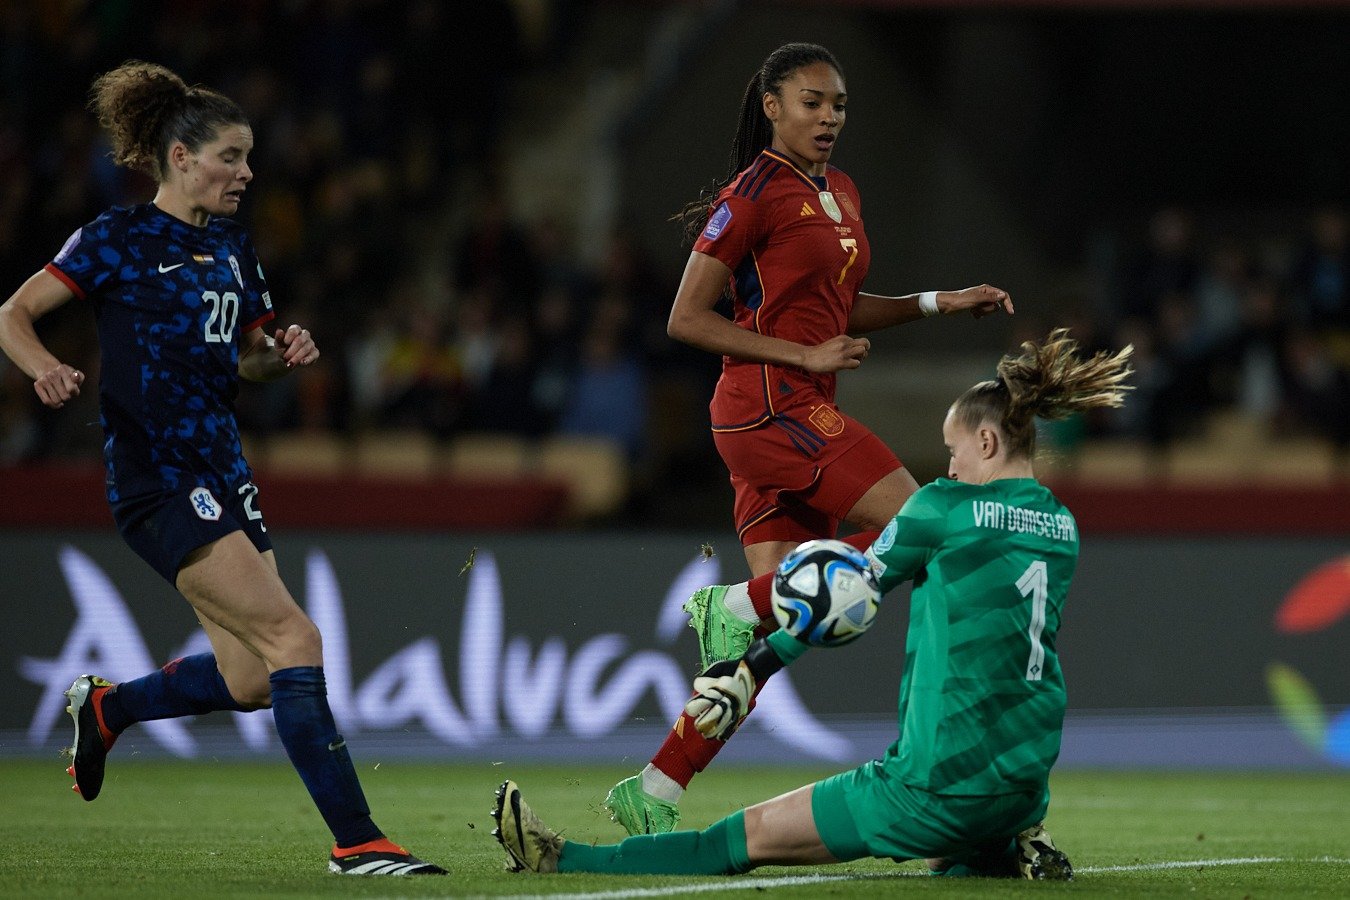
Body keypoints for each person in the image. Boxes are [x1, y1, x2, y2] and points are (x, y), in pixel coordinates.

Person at [0, 61, 444, 876]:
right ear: (180, 158)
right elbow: (14, 313)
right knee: (293, 636)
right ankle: (359, 841)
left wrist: (282, 355)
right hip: (158, 477)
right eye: (232, 157)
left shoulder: (235, 251)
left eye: (247, 158)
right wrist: (41, 368)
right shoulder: (117, 238)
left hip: (224, 471)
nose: (247, 173)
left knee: (247, 678)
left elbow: (248, 364)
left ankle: (110, 707)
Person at [494, 329, 1133, 880]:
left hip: (931, 787)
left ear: (987, 444)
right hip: (1024, 782)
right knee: (950, 858)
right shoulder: (1060, 525)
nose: (949, 462)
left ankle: (564, 859)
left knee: (741, 839)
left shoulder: (942, 507)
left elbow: (841, 592)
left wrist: (751, 669)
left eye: (952, 448)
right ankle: (1010, 844)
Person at [604, 41, 1014, 835]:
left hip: (792, 410)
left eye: (839, 106)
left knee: (790, 624)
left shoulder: (842, 191)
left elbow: (839, 307)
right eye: (812, 102)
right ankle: (731, 601)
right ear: (771, 106)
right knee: (924, 523)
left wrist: (941, 302)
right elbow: (685, 319)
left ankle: (655, 786)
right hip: (767, 409)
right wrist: (801, 356)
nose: (829, 118)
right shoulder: (751, 192)